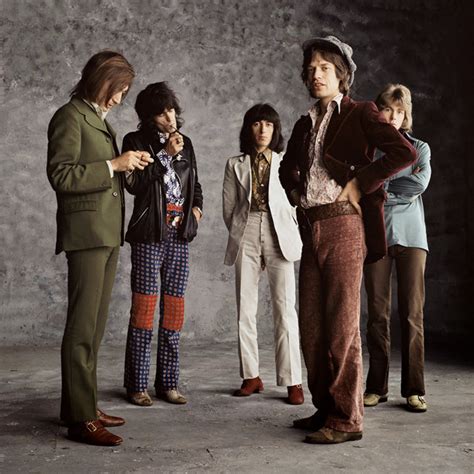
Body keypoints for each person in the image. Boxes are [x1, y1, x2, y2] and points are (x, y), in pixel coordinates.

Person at [279, 36, 417, 444]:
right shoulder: (305, 122)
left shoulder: (361, 112)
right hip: (311, 227)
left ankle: (347, 419)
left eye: (324, 68)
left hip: (344, 226)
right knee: (312, 328)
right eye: (311, 68)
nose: (316, 74)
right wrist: (296, 190)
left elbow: (404, 153)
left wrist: (360, 182)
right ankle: (326, 407)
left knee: (341, 327)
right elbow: (287, 169)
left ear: (342, 75)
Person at [47, 51, 153, 446]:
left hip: (107, 233)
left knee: (94, 327)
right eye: (118, 88)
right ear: (100, 79)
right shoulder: (70, 116)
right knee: (81, 327)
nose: (120, 98)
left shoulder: (98, 118)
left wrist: (128, 164)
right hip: (86, 234)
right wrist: (113, 165)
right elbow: (60, 174)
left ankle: (83, 405)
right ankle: (80, 419)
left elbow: (106, 173)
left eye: (125, 91)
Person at [122, 82, 203, 407]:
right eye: (161, 113)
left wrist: (196, 211)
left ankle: (168, 384)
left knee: (174, 312)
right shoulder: (134, 142)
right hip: (148, 235)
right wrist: (164, 156)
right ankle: (137, 385)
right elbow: (135, 185)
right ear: (148, 117)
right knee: (143, 311)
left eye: (171, 110)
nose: (169, 118)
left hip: (178, 236)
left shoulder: (187, 144)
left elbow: (195, 184)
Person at [223, 104, 304, 405]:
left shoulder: (286, 162)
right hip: (246, 230)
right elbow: (229, 207)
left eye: (269, 124)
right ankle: (251, 376)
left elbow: (297, 200)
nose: (263, 130)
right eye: (257, 124)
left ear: (275, 129)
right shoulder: (235, 164)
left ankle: (292, 380)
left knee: (285, 308)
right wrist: (241, 231)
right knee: (245, 307)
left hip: (279, 231)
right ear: (249, 128)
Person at [363, 84, 431, 413]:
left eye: (399, 111)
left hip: (413, 238)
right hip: (376, 236)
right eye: (388, 109)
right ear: (379, 112)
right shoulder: (368, 151)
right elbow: (363, 189)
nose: (393, 116)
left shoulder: (420, 148)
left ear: (406, 116)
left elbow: (419, 184)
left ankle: (414, 390)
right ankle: (376, 388)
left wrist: (382, 186)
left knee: (412, 314)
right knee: (377, 315)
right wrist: (384, 187)